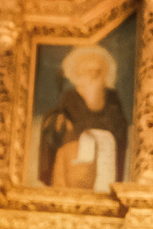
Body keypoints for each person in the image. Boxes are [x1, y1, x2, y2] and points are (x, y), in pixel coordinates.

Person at [36, 45, 126, 188]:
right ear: (79, 76)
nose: (92, 76)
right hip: (71, 161)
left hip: (103, 163)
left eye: (97, 72)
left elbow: (119, 131)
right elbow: (56, 135)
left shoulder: (112, 102)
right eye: (87, 71)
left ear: (104, 77)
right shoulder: (70, 99)